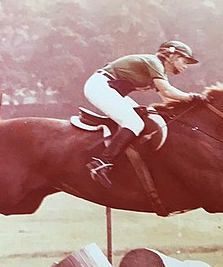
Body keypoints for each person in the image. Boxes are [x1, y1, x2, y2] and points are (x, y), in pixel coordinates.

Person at [84, 40, 204, 187]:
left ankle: (124, 160)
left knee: (146, 118)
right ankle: (102, 162)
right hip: (99, 86)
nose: (185, 66)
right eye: (184, 60)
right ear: (171, 56)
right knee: (134, 123)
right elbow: (168, 91)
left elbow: (167, 99)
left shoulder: (158, 70)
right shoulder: (155, 63)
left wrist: (191, 106)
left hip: (109, 89)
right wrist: (194, 97)